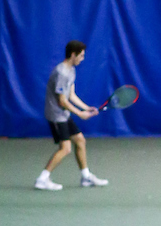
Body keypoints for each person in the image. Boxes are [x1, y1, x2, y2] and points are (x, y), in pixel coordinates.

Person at [34, 41, 108, 191]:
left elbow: (71, 95)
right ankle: (42, 179)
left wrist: (86, 108)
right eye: (81, 56)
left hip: (64, 113)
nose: (83, 59)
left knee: (80, 140)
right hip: (56, 115)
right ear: (73, 55)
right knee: (65, 148)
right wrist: (80, 114)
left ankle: (86, 177)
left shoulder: (71, 70)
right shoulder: (61, 72)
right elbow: (62, 101)